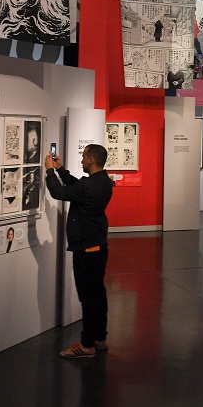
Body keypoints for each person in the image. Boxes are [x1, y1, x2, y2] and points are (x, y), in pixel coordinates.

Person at [45, 145, 115, 359]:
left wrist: (49, 171)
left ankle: (86, 346)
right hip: (99, 245)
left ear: (92, 159)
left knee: (88, 297)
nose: (82, 160)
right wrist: (61, 170)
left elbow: (59, 192)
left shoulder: (89, 185)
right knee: (98, 294)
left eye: (84, 157)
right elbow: (77, 187)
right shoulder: (104, 181)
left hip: (87, 248)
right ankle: (100, 338)